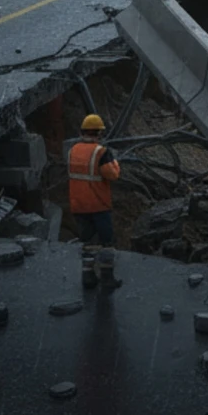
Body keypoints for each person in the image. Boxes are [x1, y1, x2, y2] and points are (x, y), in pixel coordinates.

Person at [68, 114, 123, 288]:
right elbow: (113, 175)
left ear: (82, 131)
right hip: (98, 205)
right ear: (99, 133)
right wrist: (115, 162)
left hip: (78, 205)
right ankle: (107, 279)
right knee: (106, 243)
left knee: (88, 243)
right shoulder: (101, 152)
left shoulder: (73, 150)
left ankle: (88, 276)